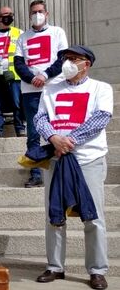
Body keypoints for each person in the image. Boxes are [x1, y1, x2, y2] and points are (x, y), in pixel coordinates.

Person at [33, 46, 112, 290]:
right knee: (54, 215)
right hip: (56, 159)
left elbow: (101, 118)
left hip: (88, 159)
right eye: (65, 58)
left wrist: (69, 140)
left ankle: (97, 270)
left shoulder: (101, 88)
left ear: (86, 63)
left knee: (93, 217)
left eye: (73, 59)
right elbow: (39, 118)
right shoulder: (50, 89)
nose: (67, 63)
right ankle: (55, 266)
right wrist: (54, 138)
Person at [14, 0, 68, 188]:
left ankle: (61, 167)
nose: (37, 15)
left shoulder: (57, 32)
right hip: (31, 91)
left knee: (57, 127)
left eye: (40, 11)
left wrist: (45, 75)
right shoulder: (23, 37)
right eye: (33, 12)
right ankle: (35, 172)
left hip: (54, 88)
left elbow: (62, 59)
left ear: (47, 13)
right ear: (29, 15)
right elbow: (18, 63)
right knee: (33, 132)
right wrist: (32, 79)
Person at [0, 6, 26, 138]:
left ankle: (20, 127)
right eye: (5, 14)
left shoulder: (19, 33)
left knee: (16, 101)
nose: (8, 17)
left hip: (14, 74)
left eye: (10, 14)